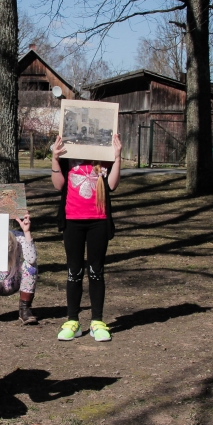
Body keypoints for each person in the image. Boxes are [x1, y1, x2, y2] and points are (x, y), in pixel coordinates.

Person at [50, 132, 122, 342]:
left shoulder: (104, 155)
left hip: (98, 220)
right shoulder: (69, 152)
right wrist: (55, 158)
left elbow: (112, 185)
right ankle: (73, 321)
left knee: (96, 271)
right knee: (74, 270)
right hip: (72, 220)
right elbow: (58, 185)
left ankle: (97, 322)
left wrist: (117, 157)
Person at [0, 213, 38, 325]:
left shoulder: (18, 236)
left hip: (14, 279)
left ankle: (25, 309)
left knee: (31, 267)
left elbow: (32, 259)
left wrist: (27, 232)